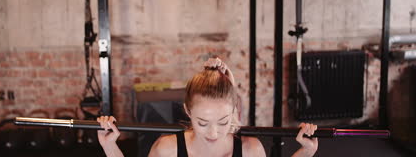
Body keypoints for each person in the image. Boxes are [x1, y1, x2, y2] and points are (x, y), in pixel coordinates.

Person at [97, 57, 318, 157]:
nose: (213, 132)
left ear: (233, 112)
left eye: (223, 122)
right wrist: (109, 147)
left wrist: (307, 151)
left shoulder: (251, 150)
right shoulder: (168, 150)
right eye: (202, 123)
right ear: (188, 111)